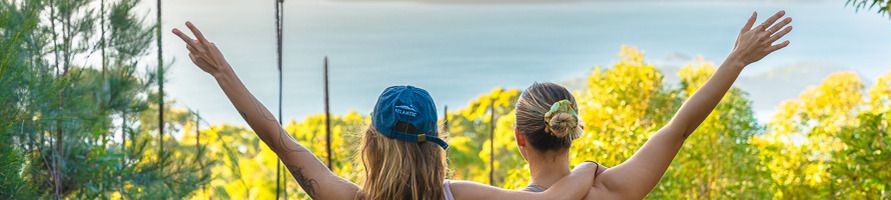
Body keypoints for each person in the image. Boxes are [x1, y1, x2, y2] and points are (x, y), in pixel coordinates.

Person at [171, 22, 599, 200]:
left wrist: (221, 72)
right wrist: (587, 168)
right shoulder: (458, 195)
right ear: (435, 146)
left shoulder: (343, 197)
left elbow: (276, 137)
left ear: (371, 145)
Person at [511, 11, 792, 199]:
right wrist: (737, 59)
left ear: (519, 137)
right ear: (571, 129)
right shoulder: (613, 190)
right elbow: (679, 128)